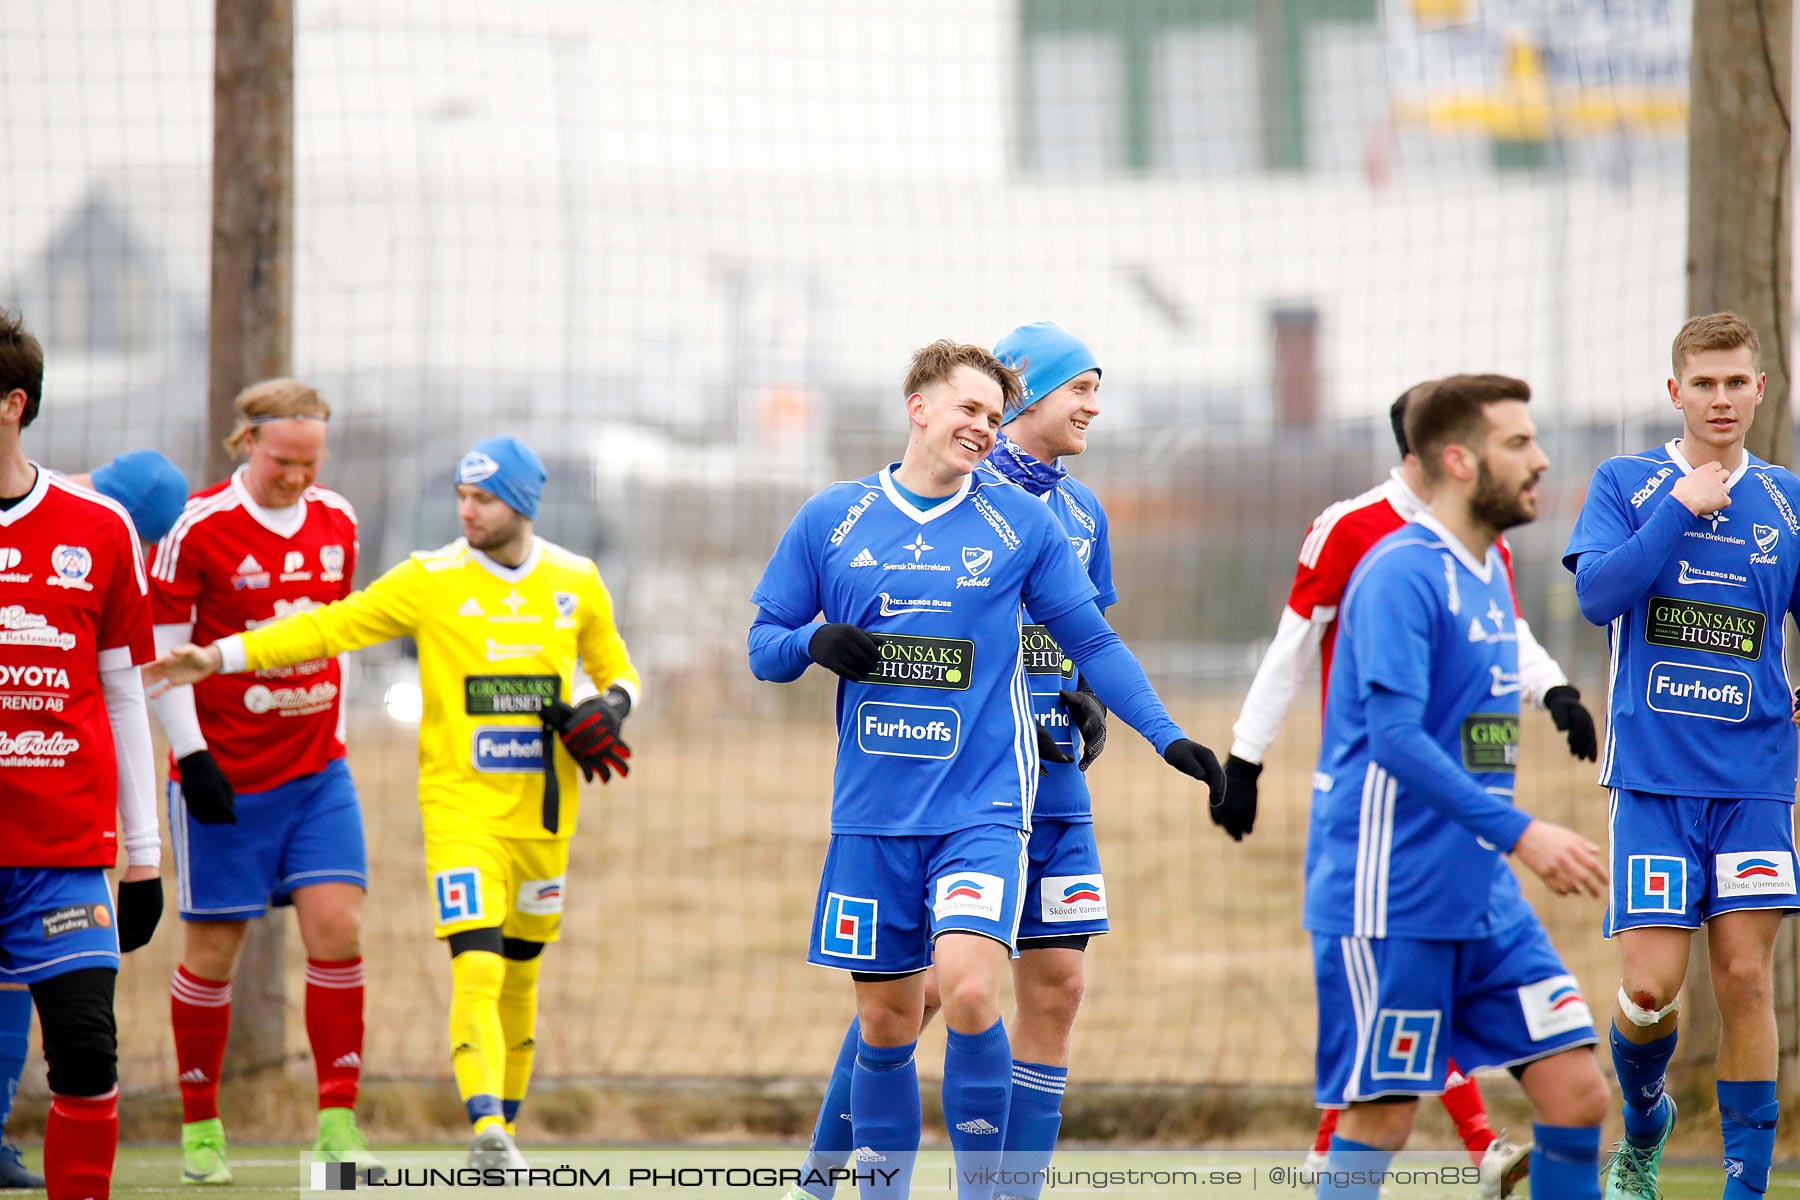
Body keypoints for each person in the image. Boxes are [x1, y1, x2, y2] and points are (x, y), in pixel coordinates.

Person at [748, 339, 1226, 1200]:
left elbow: (1090, 639)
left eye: (993, 416)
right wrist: (812, 642)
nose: (983, 428)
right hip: (873, 814)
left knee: (972, 991)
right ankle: (848, 1184)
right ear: (919, 407)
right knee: (887, 1022)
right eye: (969, 410)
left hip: (987, 806)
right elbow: (763, 648)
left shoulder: (1023, 525)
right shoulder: (833, 517)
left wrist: (1166, 737)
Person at [145, 435, 639, 1171]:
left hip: (543, 815)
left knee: (523, 971)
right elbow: (327, 626)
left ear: (523, 505)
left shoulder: (576, 579)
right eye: (462, 498)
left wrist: (613, 706)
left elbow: (619, 668)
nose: (467, 511)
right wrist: (219, 656)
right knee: (477, 962)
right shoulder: (429, 578)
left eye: (484, 499)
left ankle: (506, 1126)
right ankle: (485, 1130)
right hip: (459, 812)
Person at [1223, 386, 1598, 1196]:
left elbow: (1514, 656)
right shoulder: (1392, 568)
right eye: (1519, 443)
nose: (1540, 460)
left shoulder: (1488, 564)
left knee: (1577, 1094)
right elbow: (1391, 738)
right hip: (1391, 894)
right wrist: (1245, 760)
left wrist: (1558, 692)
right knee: (1383, 1117)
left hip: (1483, 892)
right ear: (1458, 461)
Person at [786, 323, 1116, 1200]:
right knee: (923, 998)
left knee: (1059, 985)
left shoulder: (1080, 511)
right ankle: (826, 1177)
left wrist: (1083, 694)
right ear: (1028, 400)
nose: (1092, 406)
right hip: (967, 780)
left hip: (1054, 782)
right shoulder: (962, 488)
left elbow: (1082, 630)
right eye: (1078, 388)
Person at [1563, 312, 1800, 1200]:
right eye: (1704, 383)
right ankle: (1649, 1119)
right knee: (1653, 989)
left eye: (1738, 381)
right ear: (1676, 392)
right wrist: (1677, 509)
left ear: (1761, 389)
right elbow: (1598, 597)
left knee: (1745, 978)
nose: (1723, 398)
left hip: (1754, 783)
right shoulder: (1627, 482)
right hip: (1655, 780)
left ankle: (1746, 1185)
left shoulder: (1787, 499)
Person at [141, 380, 376, 1182]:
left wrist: (335, 732)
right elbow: (163, 659)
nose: (298, 479)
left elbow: (341, 631)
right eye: (284, 461)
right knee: (213, 952)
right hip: (225, 776)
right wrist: (193, 756)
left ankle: (338, 1124)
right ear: (246, 443)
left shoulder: (338, 520)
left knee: (338, 928)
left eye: (312, 462)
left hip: (316, 769)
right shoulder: (197, 528)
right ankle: (202, 1126)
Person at [0, 308, 163, 1200]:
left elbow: (126, 692)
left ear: (12, 404)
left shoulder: (96, 529)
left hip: (61, 855)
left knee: (89, 1057)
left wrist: (144, 855)